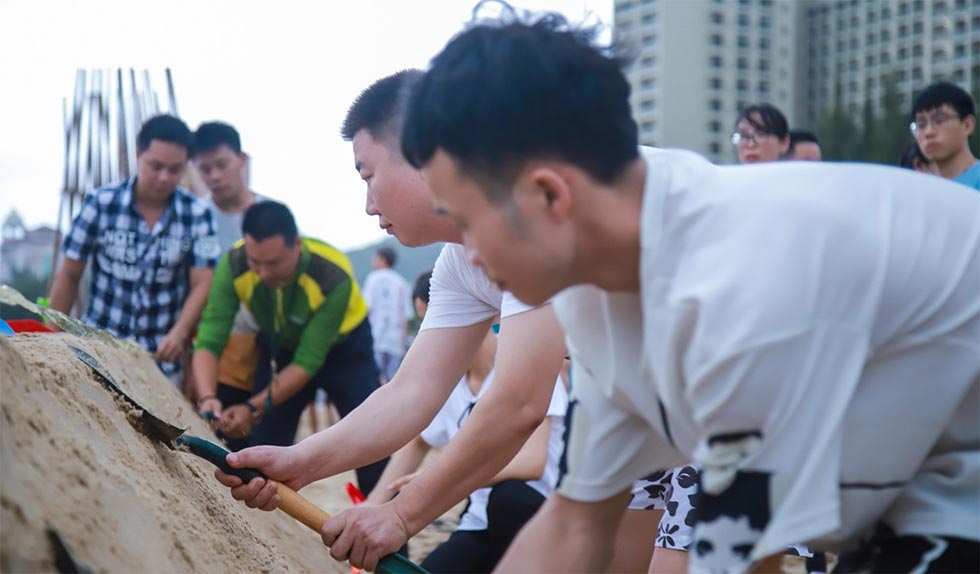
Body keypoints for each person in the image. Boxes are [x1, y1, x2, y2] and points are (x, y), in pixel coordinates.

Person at [399, 11, 980, 574]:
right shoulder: (601, 303)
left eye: (469, 223)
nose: (467, 254)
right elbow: (573, 526)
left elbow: (741, 559)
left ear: (550, 195)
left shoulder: (735, 284)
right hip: (908, 478)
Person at [210, 70, 567, 573]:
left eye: (367, 174)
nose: (368, 204)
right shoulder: (459, 265)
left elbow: (519, 403)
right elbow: (410, 391)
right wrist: (301, 462)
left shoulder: (528, 215)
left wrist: (402, 514)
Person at [192, 201, 388, 494]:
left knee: (372, 439)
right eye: (255, 262)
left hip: (346, 348)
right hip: (281, 343)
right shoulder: (234, 263)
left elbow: (308, 362)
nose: (263, 273)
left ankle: (387, 533)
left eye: (273, 263)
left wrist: (250, 406)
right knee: (263, 444)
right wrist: (208, 397)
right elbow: (210, 336)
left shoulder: (332, 274)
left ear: (296, 244)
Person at [367, 322, 568, 573]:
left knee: (508, 497)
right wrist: (373, 502)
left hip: (537, 513)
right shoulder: (451, 382)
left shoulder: (525, 368)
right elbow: (419, 443)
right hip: (480, 521)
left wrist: (441, 478)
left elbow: (533, 463)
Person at [49, 114, 219, 386]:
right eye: (156, 166)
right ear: (139, 154)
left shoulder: (198, 215)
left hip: (159, 358)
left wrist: (179, 333)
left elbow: (203, 283)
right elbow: (69, 274)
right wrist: (52, 337)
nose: (164, 177)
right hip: (97, 348)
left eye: (175, 169)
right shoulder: (101, 203)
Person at [192, 121, 266, 402]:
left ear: (242, 160)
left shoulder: (270, 216)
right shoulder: (195, 216)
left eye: (222, 165)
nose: (215, 176)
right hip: (213, 344)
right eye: (205, 169)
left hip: (263, 344)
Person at [911, 81, 979, 190]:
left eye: (939, 120)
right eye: (921, 125)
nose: (929, 132)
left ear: (967, 125)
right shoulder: (919, 191)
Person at [361, 246, 412, 382]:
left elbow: (366, 309)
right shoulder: (401, 282)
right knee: (393, 381)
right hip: (395, 341)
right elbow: (405, 316)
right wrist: (403, 340)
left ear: (381, 259)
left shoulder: (372, 278)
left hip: (376, 338)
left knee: (373, 380)